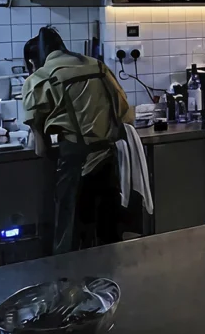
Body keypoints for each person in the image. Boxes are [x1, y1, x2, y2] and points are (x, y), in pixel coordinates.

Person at [21, 27, 134, 254]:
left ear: (33, 61)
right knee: (109, 236)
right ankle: (111, 277)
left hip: (75, 167)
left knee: (70, 238)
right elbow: (126, 115)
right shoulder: (99, 67)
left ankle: (70, 276)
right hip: (109, 162)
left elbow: (41, 149)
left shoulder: (40, 78)